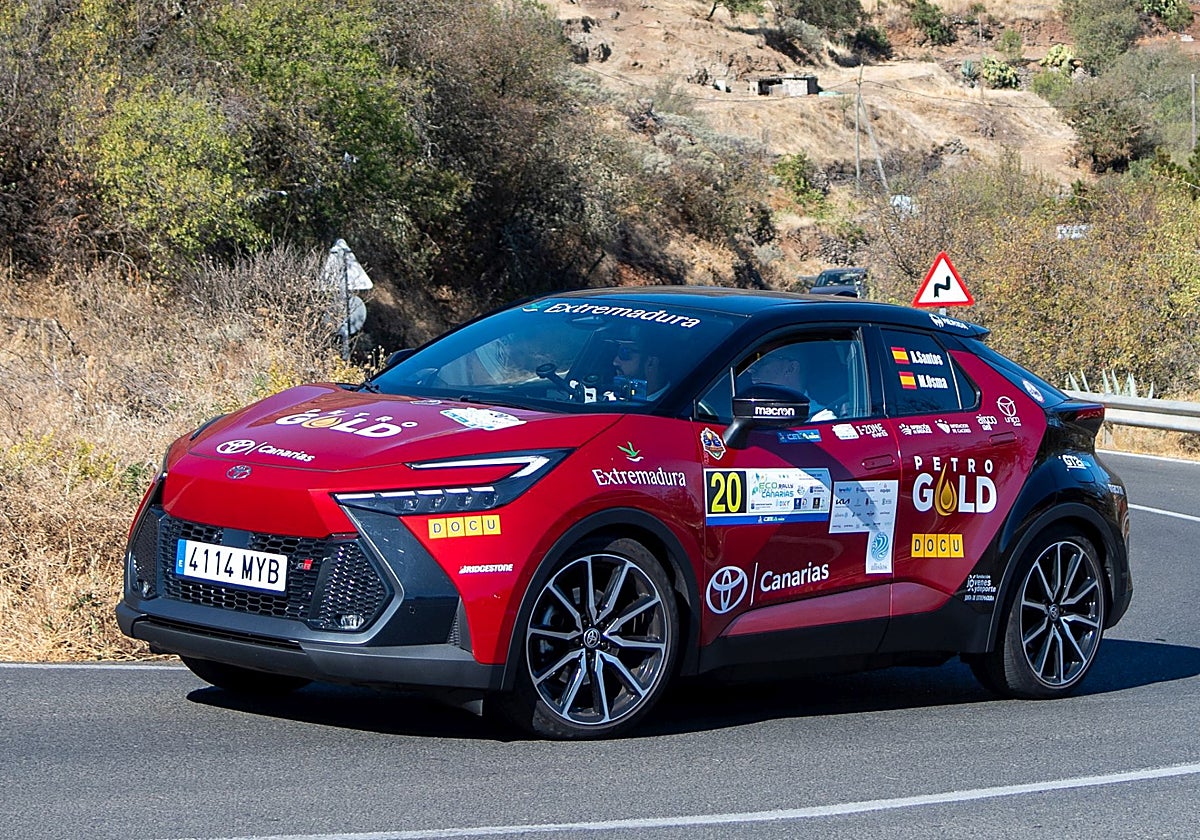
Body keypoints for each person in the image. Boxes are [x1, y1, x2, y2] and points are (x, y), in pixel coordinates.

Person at [745, 346, 841, 421]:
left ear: (791, 368)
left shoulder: (819, 420)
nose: (750, 369)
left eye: (761, 361)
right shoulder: (747, 413)